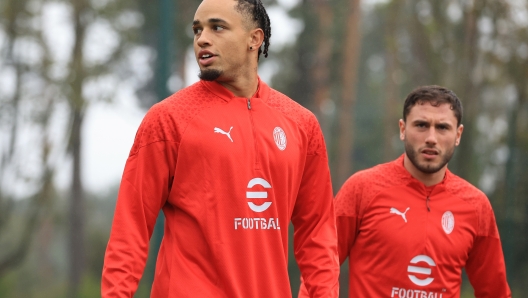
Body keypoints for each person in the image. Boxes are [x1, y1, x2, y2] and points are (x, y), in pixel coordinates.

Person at [101, 0, 339, 297]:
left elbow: (318, 236)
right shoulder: (168, 120)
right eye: (197, 30)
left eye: (217, 27)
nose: (202, 38)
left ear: (255, 38)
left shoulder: (301, 124)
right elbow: (130, 231)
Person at [301, 86, 511, 297]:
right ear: (402, 129)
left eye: (442, 127)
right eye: (421, 125)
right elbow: (320, 265)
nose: (431, 137)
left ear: (458, 134)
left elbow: (495, 291)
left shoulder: (476, 206)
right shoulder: (362, 189)